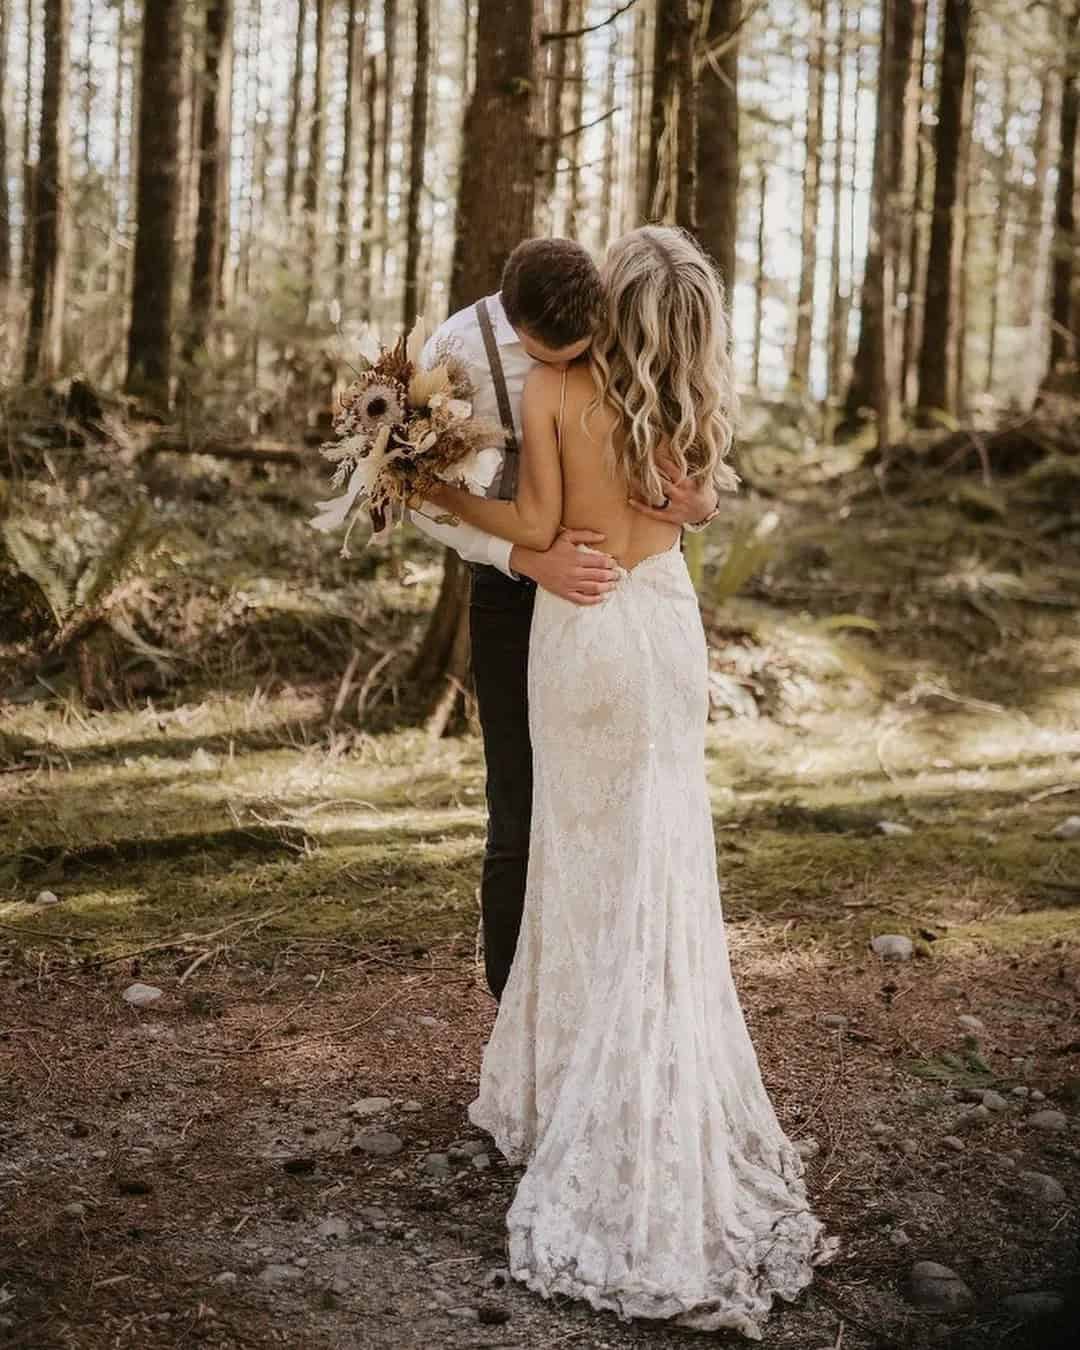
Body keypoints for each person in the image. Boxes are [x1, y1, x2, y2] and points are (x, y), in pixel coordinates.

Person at [422, 226, 840, 1338]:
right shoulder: (685, 404)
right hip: (662, 632)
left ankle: (571, 1079)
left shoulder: (562, 393)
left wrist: (445, 494)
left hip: (581, 629)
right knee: (662, 854)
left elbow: (538, 527)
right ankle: (650, 1073)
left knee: (574, 849)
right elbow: (690, 505)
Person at [409, 237, 722, 1003]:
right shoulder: (457, 355)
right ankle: (528, 1009)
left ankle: (607, 1017)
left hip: (605, 606)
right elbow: (480, 519)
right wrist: (524, 559)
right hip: (534, 594)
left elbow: (555, 507)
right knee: (528, 811)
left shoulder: (608, 354)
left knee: (623, 819)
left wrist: (701, 506)